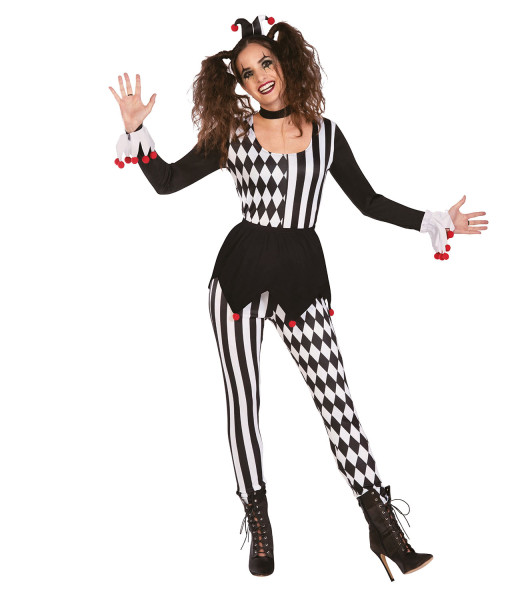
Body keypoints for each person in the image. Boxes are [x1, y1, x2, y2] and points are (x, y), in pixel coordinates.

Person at [109, 14, 488, 581]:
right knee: (244, 401)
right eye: (246, 72)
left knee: (337, 400)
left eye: (265, 62)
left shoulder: (327, 135)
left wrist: (433, 220)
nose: (259, 75)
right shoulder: (233, 132)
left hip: (302, 276)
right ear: (239, 84)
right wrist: (137, 130)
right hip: (239, 277)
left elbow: (369, 202)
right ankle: (259, 524)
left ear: (286, 64)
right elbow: (167, 182)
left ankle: (382, 526)